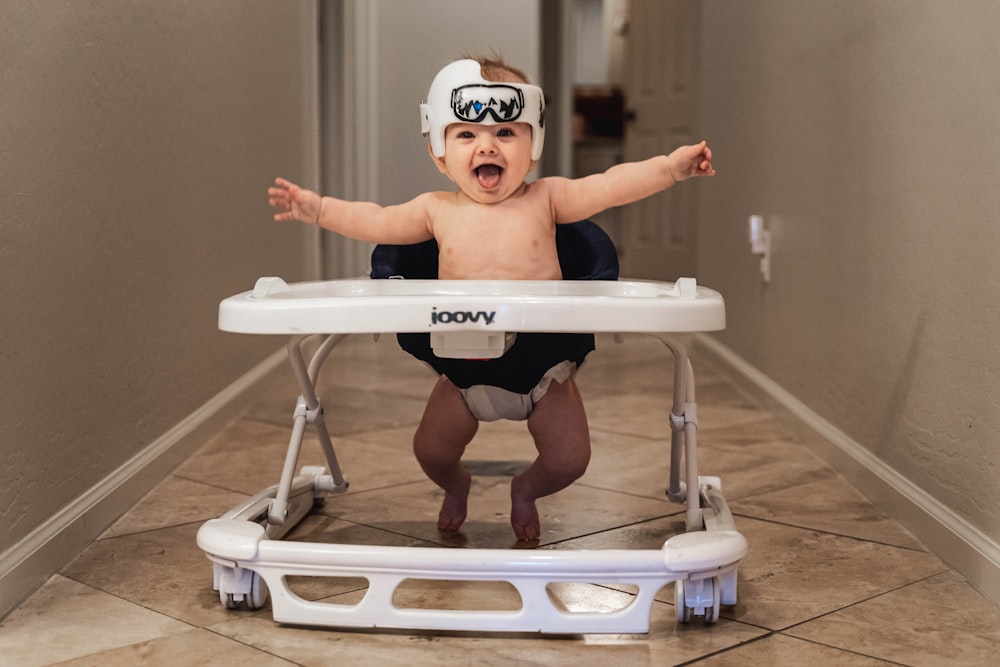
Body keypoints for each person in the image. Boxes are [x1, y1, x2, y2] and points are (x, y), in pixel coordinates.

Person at [268, 56, 715, 541]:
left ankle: (526, 490)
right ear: (440, 151)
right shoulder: (434, 210)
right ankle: (456, 485)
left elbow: (609, 186)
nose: (487, 145)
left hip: (544, 370)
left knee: (571, 460)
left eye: (506, 132)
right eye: (466, 134)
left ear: (533, 144)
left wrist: (669, 168)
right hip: (461, 371)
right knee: (430, 453)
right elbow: (373, 220)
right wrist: (316, 209)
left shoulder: (548, 198)